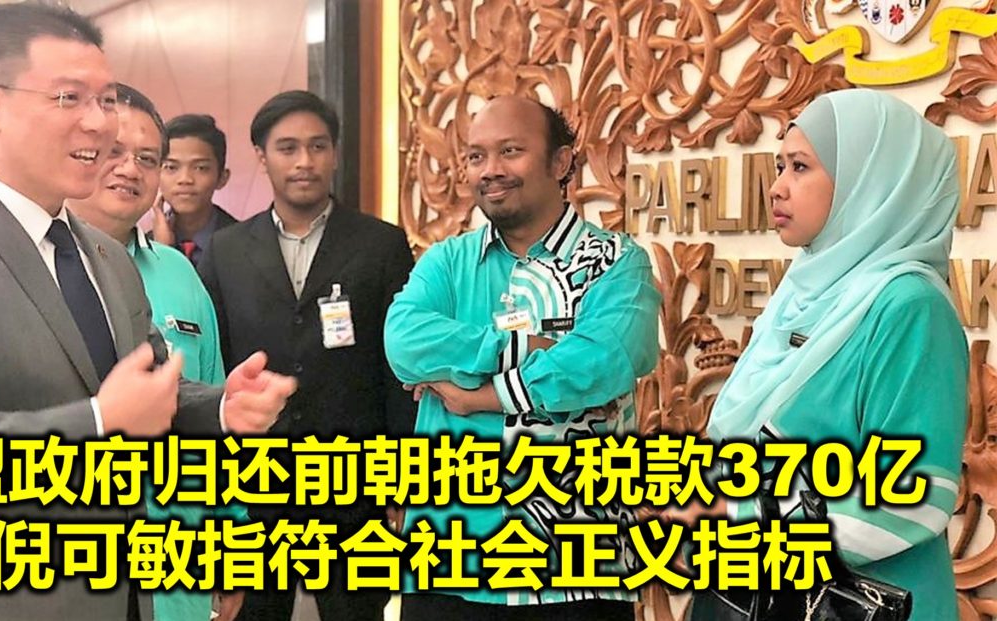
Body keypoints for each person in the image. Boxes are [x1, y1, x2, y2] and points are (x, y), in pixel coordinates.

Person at [0, 5, 294, 620]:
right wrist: (99, 421)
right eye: (68, 98)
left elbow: (145, 385)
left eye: (105, 99)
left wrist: (219, 406)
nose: (99, 123)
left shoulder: (103, 256)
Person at [679, 89, 967, 621]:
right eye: (780, 167)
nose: (777, 187)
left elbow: (916, 495)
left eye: (800, 167)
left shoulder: (909, 307)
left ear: (870, 180)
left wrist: (731, 511)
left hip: (858, 603)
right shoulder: (803, 293)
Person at [383, 95, 661, 620]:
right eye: (476, 156)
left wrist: (481, 396)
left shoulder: (617, 263)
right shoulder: (447, 262)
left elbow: (603, 362)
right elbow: (404, 342)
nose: (491, 169)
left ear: (560, 162)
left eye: (510, 151)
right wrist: (520, 347)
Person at [198, 90, 416, 621]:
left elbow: (398, 370)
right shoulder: (226, 250)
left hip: (355, 481)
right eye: (287, 147)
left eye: (318, 146)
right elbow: (214, 365)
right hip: (254, 482)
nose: (304, 161)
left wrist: (403, 478)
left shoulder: (380, 244)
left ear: (335, 153)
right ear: (262, 155)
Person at [66, 82, 245, 621]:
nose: (131, 169)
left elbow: (219, 422)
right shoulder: (33, 269)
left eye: (148, 159)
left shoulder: (180, 272)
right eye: (114, 151)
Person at [152, 113, 238, 269]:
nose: (185, 179)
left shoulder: (243, 243)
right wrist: (162, 252)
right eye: (171, 167)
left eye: (200, 168)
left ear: (222, 178)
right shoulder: (144, 247)